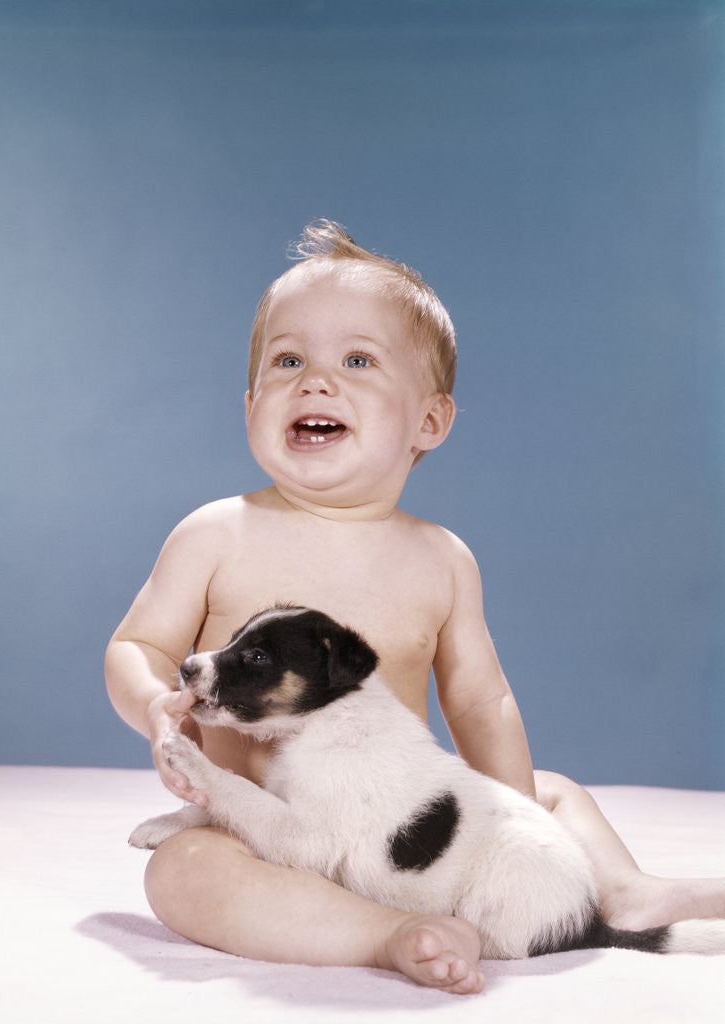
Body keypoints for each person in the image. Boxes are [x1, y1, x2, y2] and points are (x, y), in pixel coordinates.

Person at [105, 220, 724, 995]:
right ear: (252, 402)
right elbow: (137, 647)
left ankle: (623, 892)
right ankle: (385, 935)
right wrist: (155, 710)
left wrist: (514, 826)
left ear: (428, 421)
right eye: (287, 359)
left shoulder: (440, 556)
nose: (315, 381)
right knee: (183, 872)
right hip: (265, 828)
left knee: (551, 791)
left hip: (400, 839)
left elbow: (478, 698)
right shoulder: (215, 533)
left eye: (357, 359)